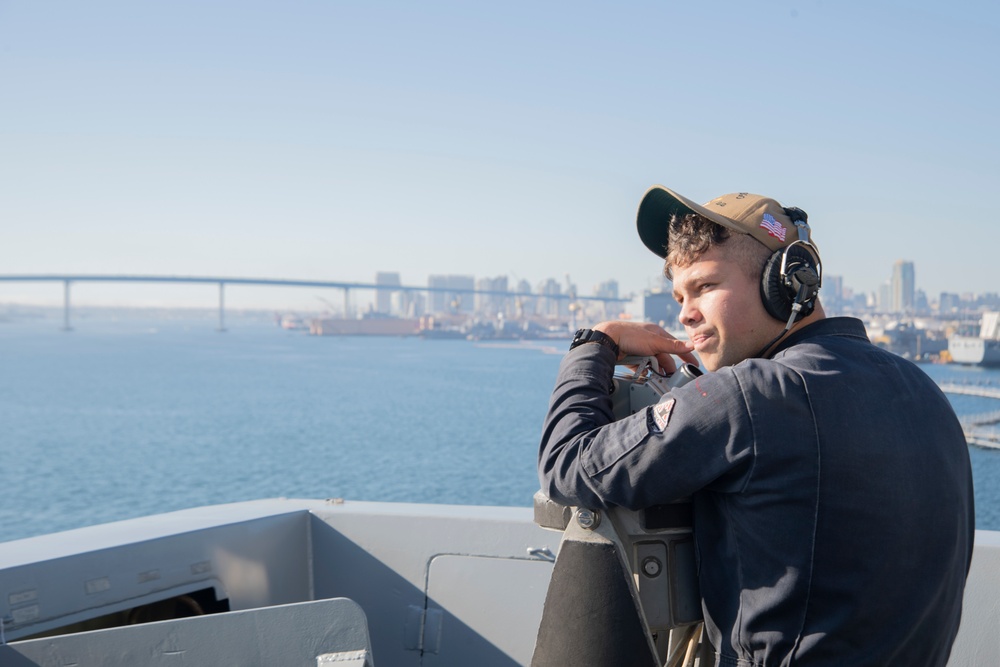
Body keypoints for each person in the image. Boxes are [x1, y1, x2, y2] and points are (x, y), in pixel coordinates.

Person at [538, 186, 974, 666]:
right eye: (680, 296)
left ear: (784, 283)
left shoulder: (752, 396)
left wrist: (593, 344)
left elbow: (567, 467)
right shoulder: (925, 393)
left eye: (705, 286)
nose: (684, 313)